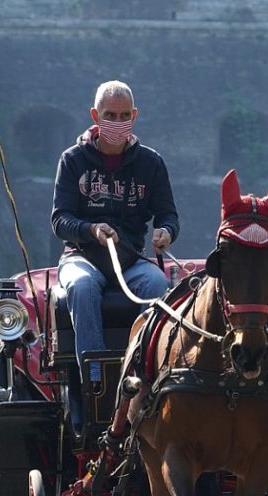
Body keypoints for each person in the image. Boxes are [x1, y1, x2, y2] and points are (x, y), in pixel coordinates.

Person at [51, 81, 179, 397]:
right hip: (81, 257)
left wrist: (166, 232)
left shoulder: (151, 163)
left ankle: (141, 374)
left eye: (124, 116)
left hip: (131, 259)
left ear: (134, 116)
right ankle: (95, 380)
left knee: (156, 286)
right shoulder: (72, 160)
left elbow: (168, 215)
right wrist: (91, 230)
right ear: (95, 115)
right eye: (110, 115)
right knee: (81, 288)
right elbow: (60, 220)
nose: (117, 123)